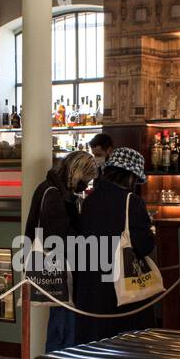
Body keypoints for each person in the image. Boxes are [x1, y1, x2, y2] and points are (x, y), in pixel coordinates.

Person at [73, 146, 157, 345]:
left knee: (94, 343)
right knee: (124, 344)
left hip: (90, 282)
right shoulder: (132, 201)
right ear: (130, 176)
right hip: (120, 286)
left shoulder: (89, 200)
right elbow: (143, 245)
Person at [24, 150, 97, 353]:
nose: (86, 185)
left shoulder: (51, 189)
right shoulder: (55, 194)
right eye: (86, 179)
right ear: (77, 173)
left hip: (53, 262)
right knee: (63, 321)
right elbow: (55, 237)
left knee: (61, 318)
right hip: (58, 264)